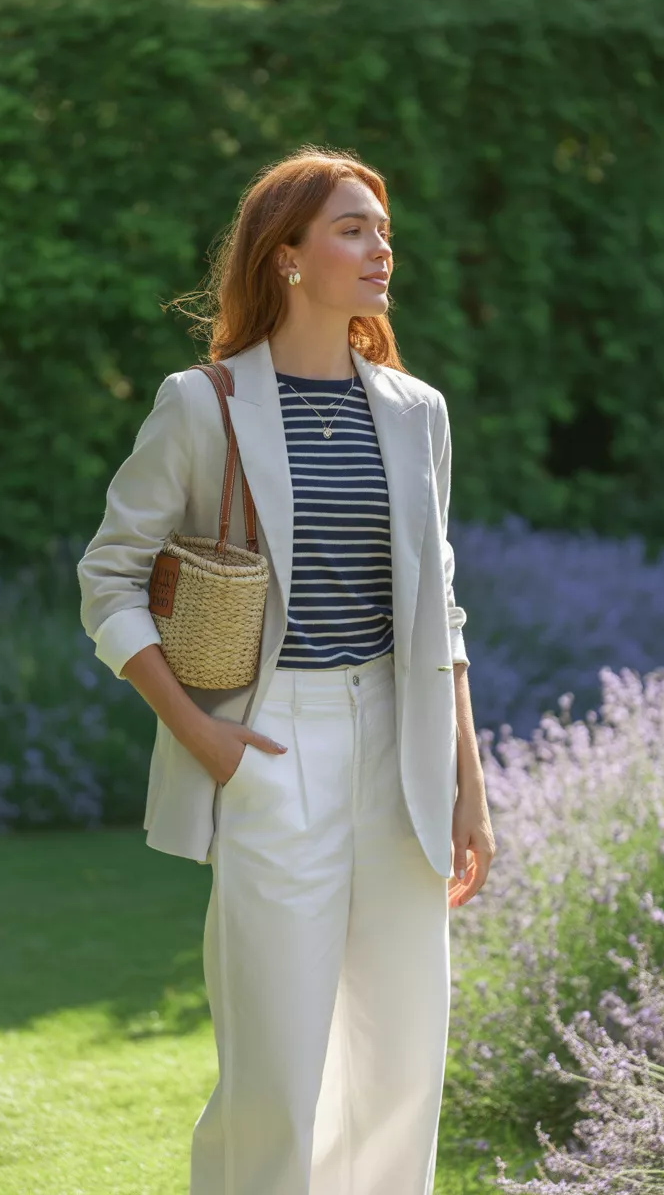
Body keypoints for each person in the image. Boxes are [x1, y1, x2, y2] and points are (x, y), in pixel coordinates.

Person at [77, 144, 496, 1195]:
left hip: (401, 748)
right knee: (276, 1061)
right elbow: (108, 580)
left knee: (402, 1057)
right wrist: (201, 732)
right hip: (268, 743)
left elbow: (437, 610)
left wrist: (471, 791)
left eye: (381, 228)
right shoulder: (200, 402)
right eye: (352, 227)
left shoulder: (416, 412)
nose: (379, 246)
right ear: (288, 256)